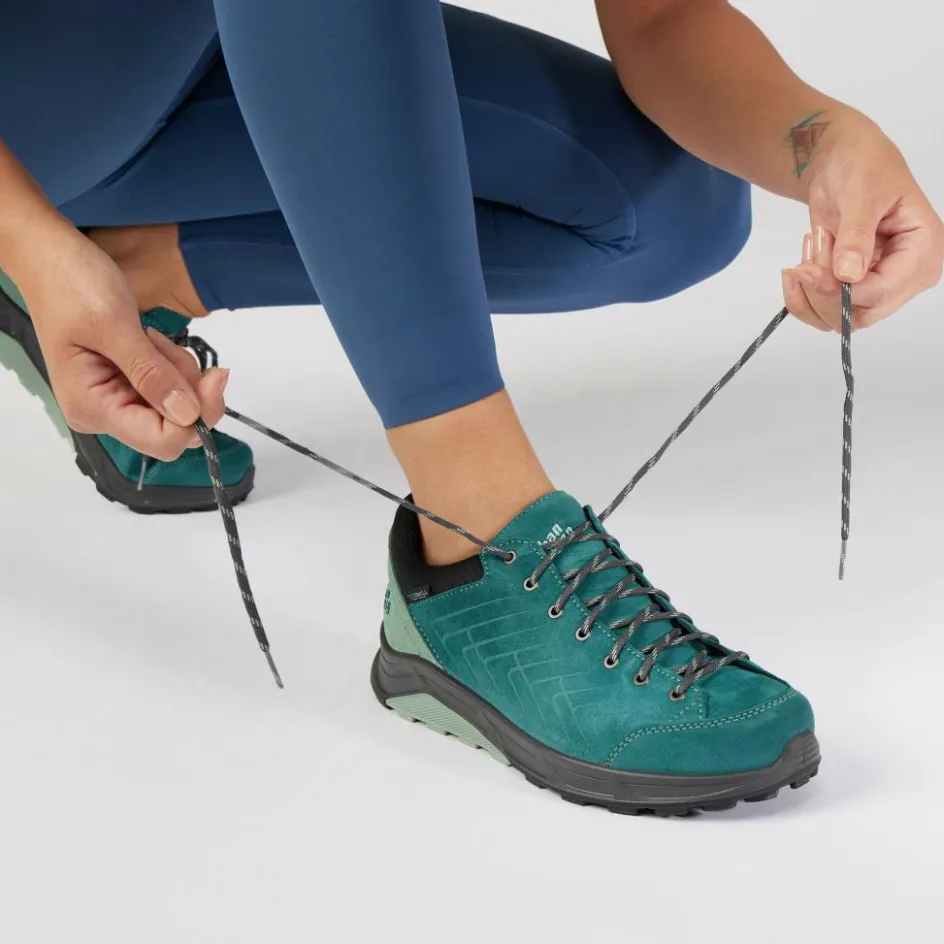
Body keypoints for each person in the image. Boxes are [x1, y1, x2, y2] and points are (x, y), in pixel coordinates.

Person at [0, 1, 940, 814]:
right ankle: (473, 545)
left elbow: (665, 19)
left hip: (204, 62)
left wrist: (821, 138)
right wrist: (35, 248)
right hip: (37, 106)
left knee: (666, 207)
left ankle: (130, 269)